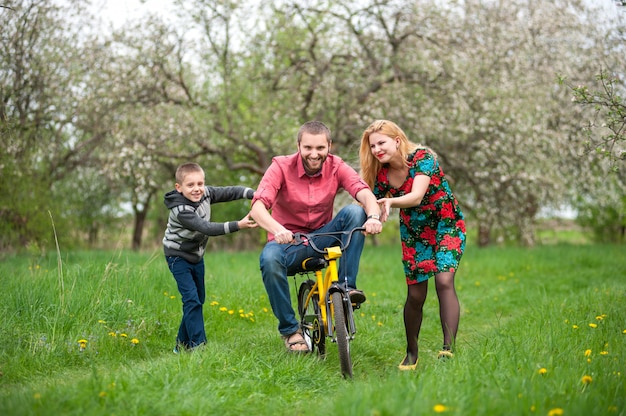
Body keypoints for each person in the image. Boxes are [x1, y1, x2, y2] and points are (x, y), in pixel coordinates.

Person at [250, 121, 383, 353]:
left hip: (322, 238)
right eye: (308, 148)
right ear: (298, 145)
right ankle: (291, 331)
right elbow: (258, 208)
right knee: (269, 261)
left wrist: (372, 216)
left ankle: (346, 289)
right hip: (288, 243)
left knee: (355, 211)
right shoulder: (280, 167)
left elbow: (363, 192)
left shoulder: (336, 166)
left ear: (329, 146)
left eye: (320, 148)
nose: (314, 154)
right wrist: (277, 229)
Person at [359, 120, 466, 370]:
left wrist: (389, 202)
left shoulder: (422, 158)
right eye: (372, 145)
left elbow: (416, 196)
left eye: (381, 143)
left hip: (445, 226)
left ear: (397, 141)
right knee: (416, 295)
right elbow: (369, 200)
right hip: (415, 234)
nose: (376, 149)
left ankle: (448, 350)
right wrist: (373, 213)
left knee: (443, 281)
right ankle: (411, 353)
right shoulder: (382, 175)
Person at [163, 162, 257, 353]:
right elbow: (206, 228)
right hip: (178, 257)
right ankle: (199, 347)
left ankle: (181, 346)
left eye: (200, 183)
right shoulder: (181, 211)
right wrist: (238, 224)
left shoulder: (206, 193)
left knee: (199, 299)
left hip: (197, 256)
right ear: (179, 188)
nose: (197, 189)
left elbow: (230, 192)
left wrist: (254, 193)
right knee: (191, 300)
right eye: (191, 185)